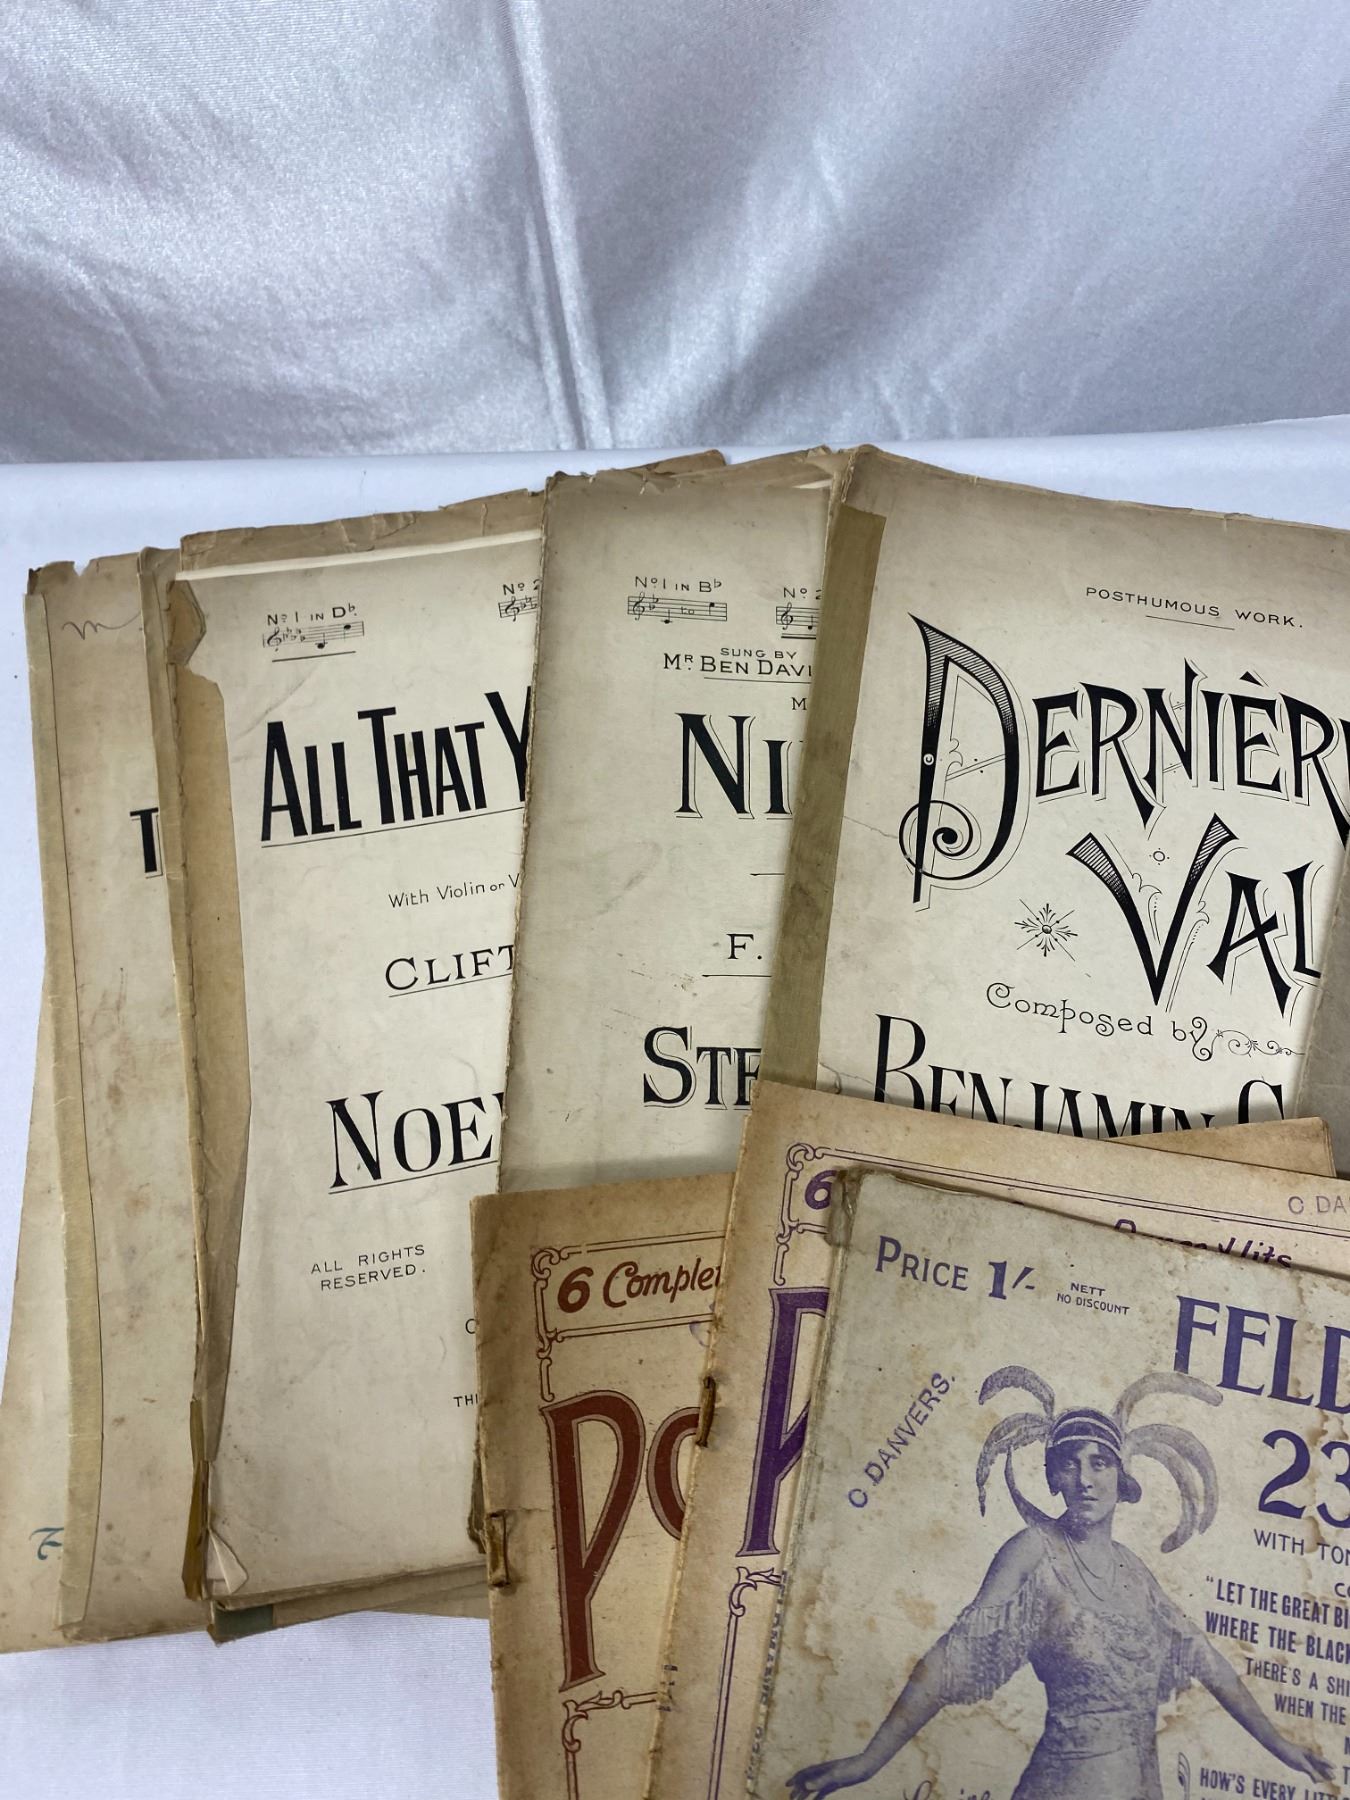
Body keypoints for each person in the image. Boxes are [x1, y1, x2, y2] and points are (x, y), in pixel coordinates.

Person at [786, 1380, 1332, 1799]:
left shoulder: (1134, 1571)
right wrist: (870, 1760)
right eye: (1069, 1464)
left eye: (1100, 1463)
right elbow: (951, 1656)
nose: (1085, 1479)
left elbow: (1208, 1662)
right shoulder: (1032, 1550)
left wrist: (1280, 1745)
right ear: (1053, 1477)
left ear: (1122, 1476)